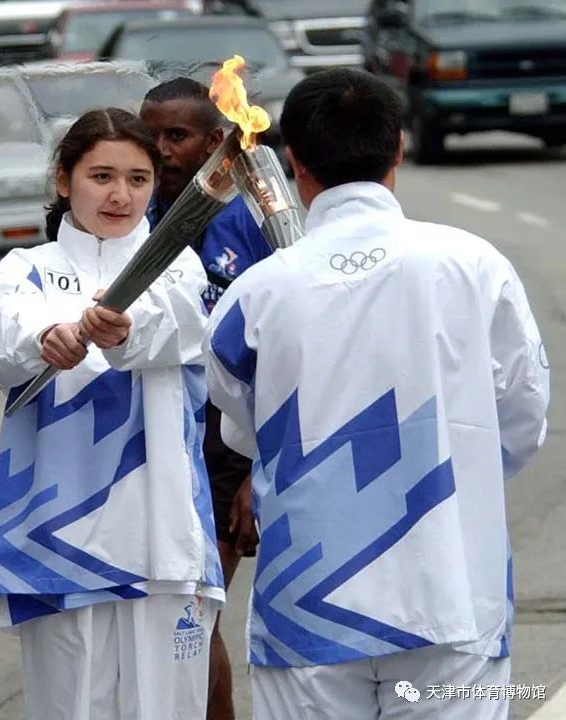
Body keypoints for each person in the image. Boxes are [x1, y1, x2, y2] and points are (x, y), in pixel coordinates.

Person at [204, 69, 550, 720]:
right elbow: (524, 417)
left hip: (308, 609)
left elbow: (241, 428)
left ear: (294, 163)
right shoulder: (474, 266)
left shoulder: (257, 293)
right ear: (397, 151)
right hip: (450, 592)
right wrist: (458, 469)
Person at [0, 107, 224, 720]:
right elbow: (7, 336)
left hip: (163, 540)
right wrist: (50, 335)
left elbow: (176, 326)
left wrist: (120, 328)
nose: (120, 195)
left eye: (139, 180)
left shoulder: (181, 267)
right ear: (64, 180)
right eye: (102, 176)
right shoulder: (24, 270)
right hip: (56, 540)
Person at [140, 76, 271, 720]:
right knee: (160, 617)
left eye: (177, 136)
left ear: (218, 141)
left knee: (195, 614)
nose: (160, 149)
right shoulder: (136, 213)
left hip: (225, 443)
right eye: (152, 134)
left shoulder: (248, 220)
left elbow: (272, 350)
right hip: (156, 437)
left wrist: (253, 470)